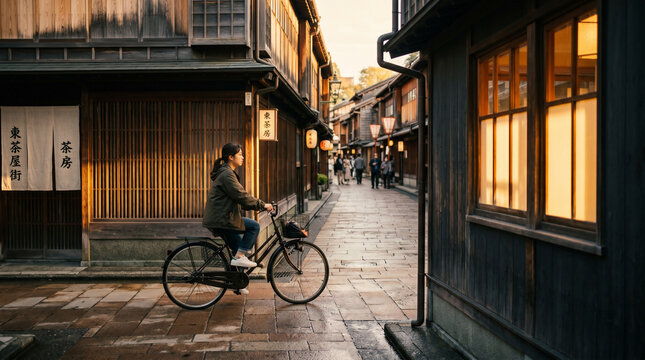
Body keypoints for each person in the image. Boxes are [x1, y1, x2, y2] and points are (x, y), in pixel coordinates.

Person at [203, 143, 273, 295]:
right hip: (222, 219)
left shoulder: (226, 172)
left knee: (237, 252)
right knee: (253, 227)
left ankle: (236, 283)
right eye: (240, 154)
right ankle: (238, 266)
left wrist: (255, 205)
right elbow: (241, 196)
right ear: (230, 157)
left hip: (222, 217)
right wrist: (262, 204)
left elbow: (239, 198)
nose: (243, 157)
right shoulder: (227, 174)